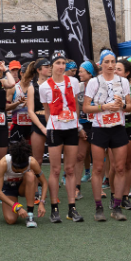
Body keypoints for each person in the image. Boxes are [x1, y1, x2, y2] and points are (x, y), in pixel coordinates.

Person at [82, 50, 131, 222]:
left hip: (118, 127)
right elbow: (86, 108)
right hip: (99, 128)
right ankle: (98, 207)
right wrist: (104, 107)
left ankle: (117, 207)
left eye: (113, 62)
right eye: (107, 62)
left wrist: (122, 105)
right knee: (97, 169)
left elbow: (130, 107)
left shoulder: (123, 81)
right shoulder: (94, 82)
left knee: (120, 168)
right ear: (101, 64)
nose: (110, 65)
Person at [38, 56, 82, 223]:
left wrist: (76, 124)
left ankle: (72, 208)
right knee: (55, 170)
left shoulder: (73, 81)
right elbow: (47, 110)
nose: (61, 66)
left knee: (70, 169)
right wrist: (52, 126)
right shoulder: (43, 87)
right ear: (52, 66)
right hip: (55, 130)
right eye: (58, 63)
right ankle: (54, 208)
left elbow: (76, 106)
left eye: (64, 63)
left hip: (71, 128)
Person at [0, 140, 47, 227]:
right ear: (12, 162)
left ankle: (30, 214)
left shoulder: (32, 162)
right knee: (11, 220)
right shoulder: (3, 163)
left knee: (30, 175)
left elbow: (44, 183)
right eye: (18, 169)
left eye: (23, 168)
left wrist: (42, 203)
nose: (21, 171)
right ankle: (17, 206)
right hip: (9, 188)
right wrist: (16, 206)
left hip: (24, 187)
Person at [117, 58, 131, 209]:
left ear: (126, 73)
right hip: (114, 127)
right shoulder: (106, 86)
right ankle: (115, 196)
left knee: (129, 163)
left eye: (119, 69)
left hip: (130, 127)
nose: (114, 70)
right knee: (116, 166)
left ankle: (125, 197)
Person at [26, 58, 52, 175]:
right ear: (39, 70)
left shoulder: (54, 85)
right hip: (38, 122)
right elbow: (30, 111)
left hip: (53, 121)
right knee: (37, 160)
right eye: (46, 67)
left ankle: (54, 184)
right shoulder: (32, 88)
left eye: (50, 66)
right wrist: (42, 127)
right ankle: (36, 188)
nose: (50, 68)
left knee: (54, 160)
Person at [76, 61, 95, 185]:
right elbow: (76, 107)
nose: (79, 74)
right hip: (83, 123)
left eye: (81, 71)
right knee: (81, 155)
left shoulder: (99, 86)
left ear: (90, 73)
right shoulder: (78, 86)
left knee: (99, 155)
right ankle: (78, 185)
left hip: (96, 124)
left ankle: (102, 182)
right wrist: (78, 126)